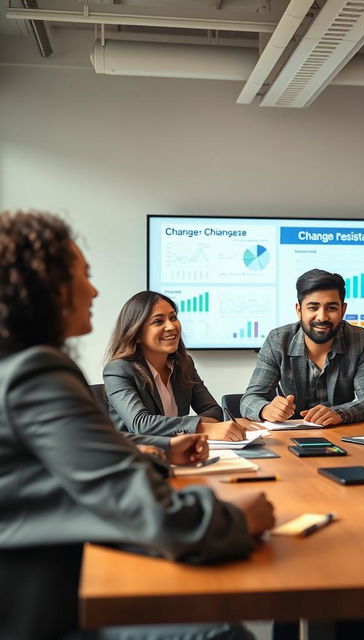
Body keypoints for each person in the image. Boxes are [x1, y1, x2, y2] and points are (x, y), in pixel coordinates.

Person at [0, 211, 275, 640]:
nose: (93, 290)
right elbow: (143, 506)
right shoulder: (36, 373)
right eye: (83, 276)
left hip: (47, 576)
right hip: (43, 606)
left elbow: (70, 464)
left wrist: (164, 450)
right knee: (221, 632)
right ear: (46, 287)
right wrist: (236, 519)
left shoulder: (16, 366)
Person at [240, 269, 364, 425]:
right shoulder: (278, 340)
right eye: (313, 308)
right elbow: (249, 399)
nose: (322, 317)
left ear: (343, 310)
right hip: (288, 436)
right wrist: (265, 409)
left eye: (331, 308)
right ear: (299, 310)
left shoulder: (360, 339)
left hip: (340, 434)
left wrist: (340, 413)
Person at [104, 291, 246, 441]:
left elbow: (214, 411)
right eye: (158, 321)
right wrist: (201, 427)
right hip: (139, 457)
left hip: (181, 452)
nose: (171, 326)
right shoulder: (118, 370)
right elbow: (141, 425)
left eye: (173, 318)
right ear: (137, 333)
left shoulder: (184, 364)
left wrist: (184, 428)